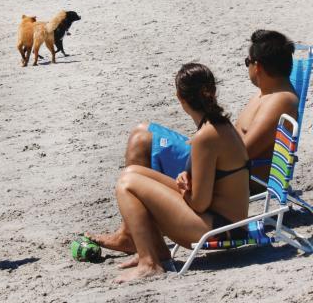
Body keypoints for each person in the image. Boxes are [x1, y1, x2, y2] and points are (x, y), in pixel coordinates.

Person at [87, 30, 298, 253]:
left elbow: (241, 152)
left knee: (141, 139)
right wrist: (202, 143)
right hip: (217, 159)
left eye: (247, 61)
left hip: (226, 172)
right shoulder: (267, 94)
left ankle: (131, 236)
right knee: (141, 135)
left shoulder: (280, 100)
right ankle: (132, 234)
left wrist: (201, 146)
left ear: (257, 66)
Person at [112, 63, 250, 282]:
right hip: (227, 221)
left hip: (219, 229)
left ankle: (150, 264)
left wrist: (183, 190)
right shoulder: (220, 125)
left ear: (180, 98)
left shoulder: (207, 136)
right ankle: (157, 253)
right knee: (133, 171)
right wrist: (186, 178)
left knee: (126, 184)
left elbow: (199, 204)